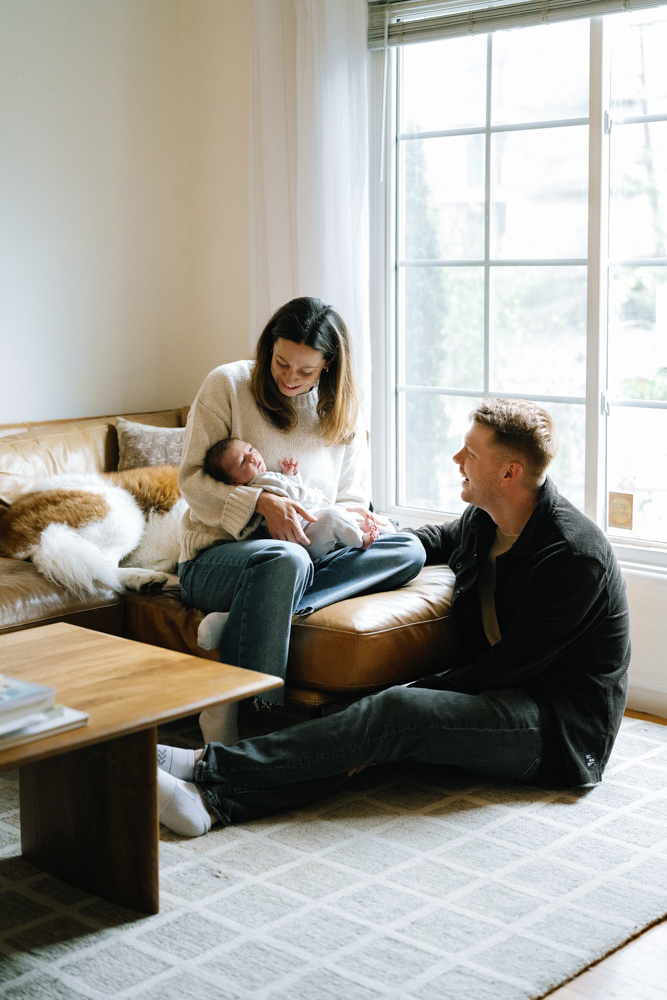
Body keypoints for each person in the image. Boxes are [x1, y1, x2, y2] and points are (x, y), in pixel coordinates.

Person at [159, 397, 630, 838]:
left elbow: (508, 668)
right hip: (504, 692)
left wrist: (409, 696)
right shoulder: (488, 517)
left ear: (510, 471)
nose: (455, 459)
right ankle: (210, 804)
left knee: (392, 713)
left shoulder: (572, 558)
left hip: (555, 726)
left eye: (469, 452)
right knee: (364, 730)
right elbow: (432, 539)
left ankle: (205, 767)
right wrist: (376, 532)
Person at [177, 297, 426, 744]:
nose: (290, 378)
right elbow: (192, 482)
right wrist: (259, 504)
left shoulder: (344, 411)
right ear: (268, 348)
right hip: (219, 558)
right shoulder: (227, 385)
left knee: (408, 548)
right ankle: (249, 714)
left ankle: (242, 616)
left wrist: (357, 523)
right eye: (281, 363)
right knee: (284, 560)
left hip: (313, 551)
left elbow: (353, 497)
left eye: (306, 371)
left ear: (329, 365)